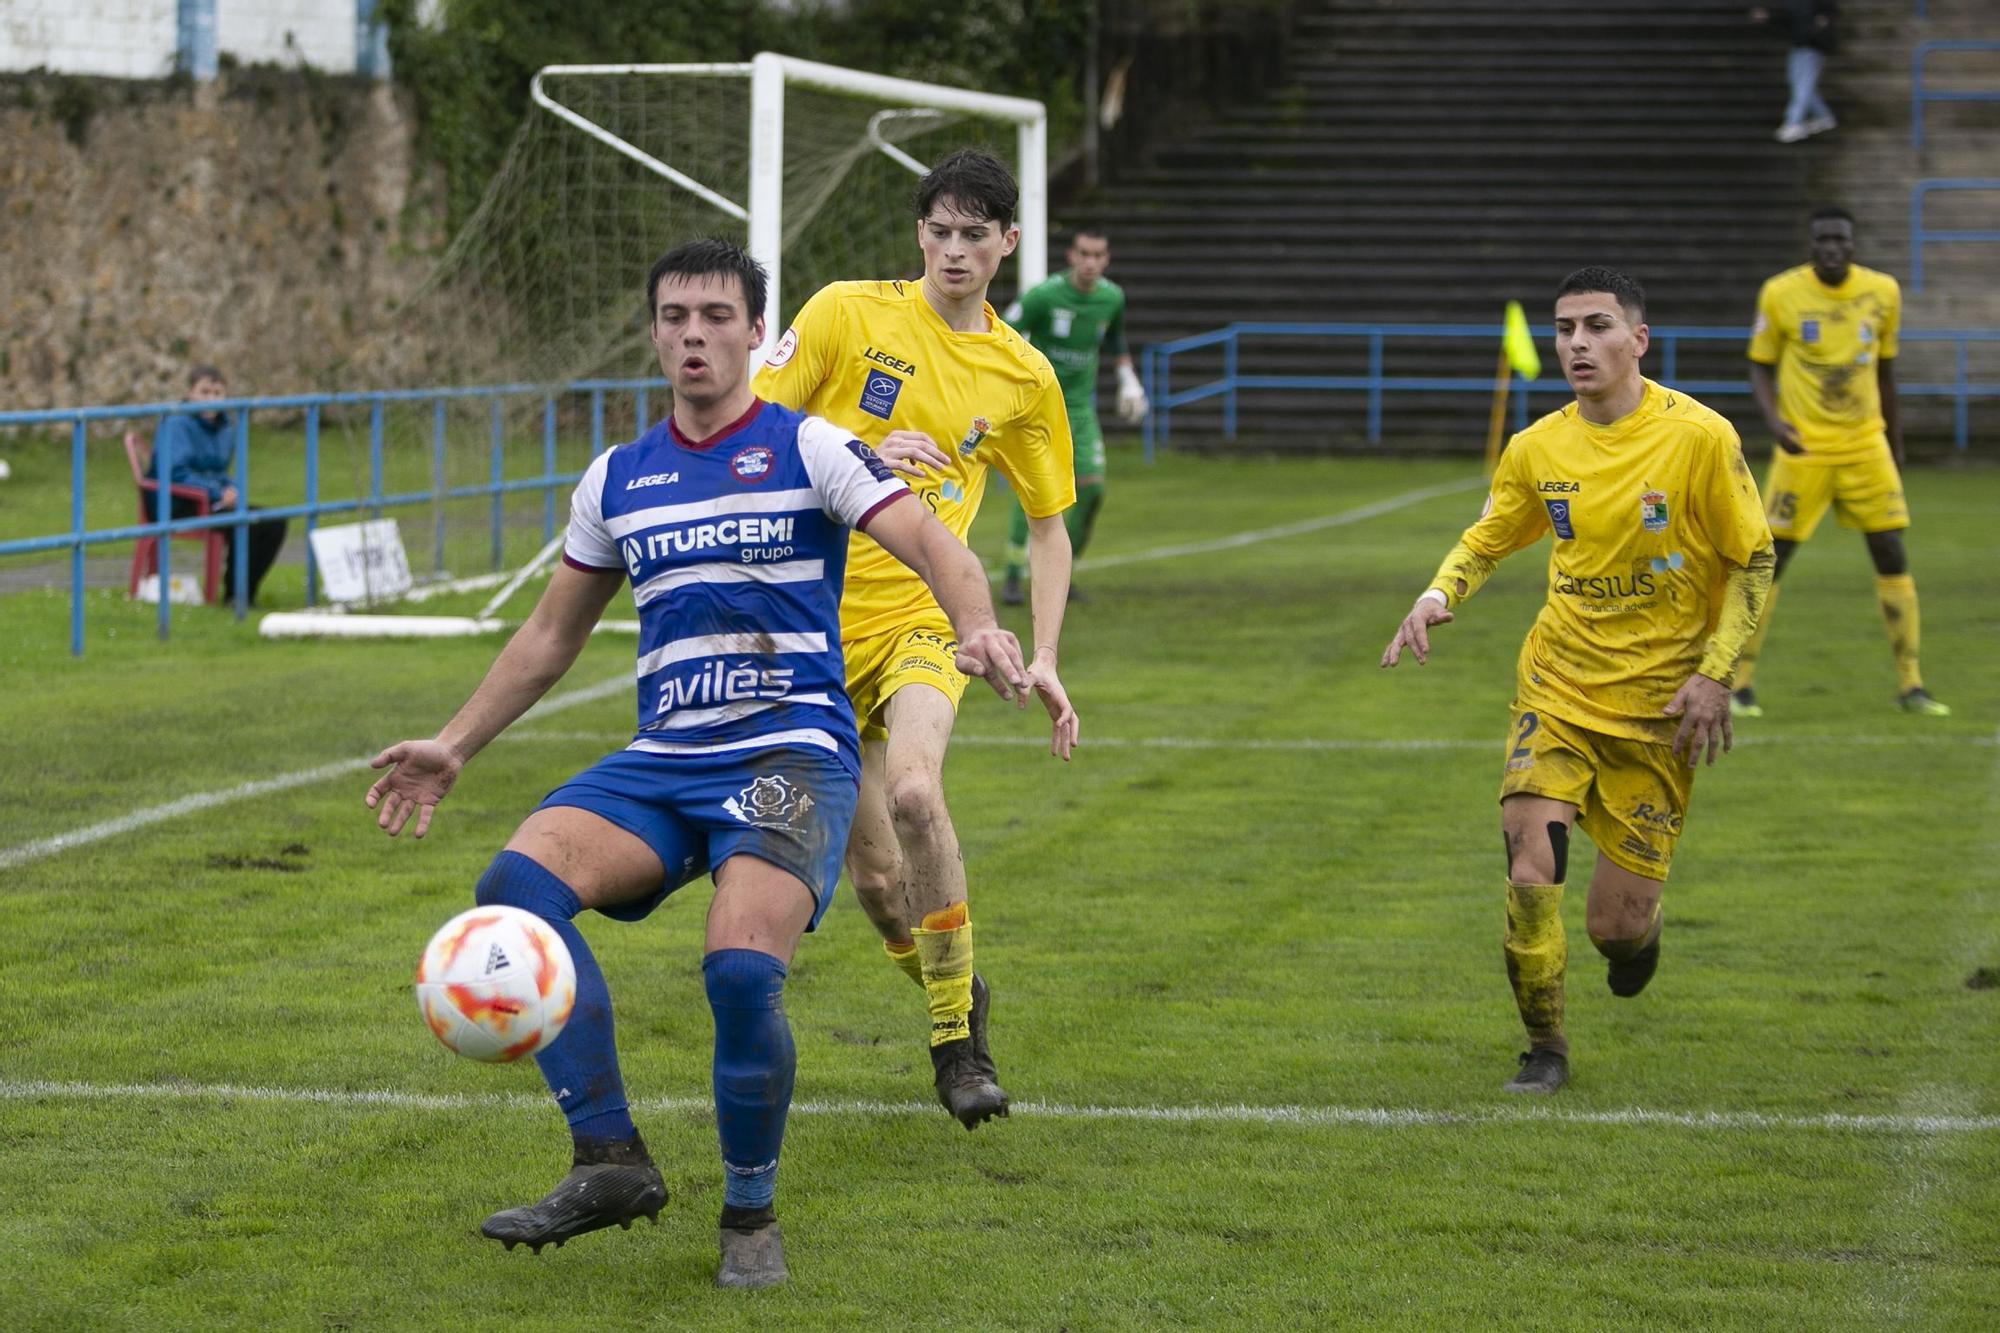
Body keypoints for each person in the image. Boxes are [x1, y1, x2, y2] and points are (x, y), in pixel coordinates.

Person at [364, 239, 1031, 1287]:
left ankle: (748, 1215)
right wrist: (454, 742)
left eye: (717, 315)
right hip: (668, 758)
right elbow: (549, 635)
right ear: (653, 333)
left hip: (790, 754)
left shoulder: (811, 447)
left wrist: (979, 626)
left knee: (737, 970)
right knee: (514, 891)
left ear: (756, 334)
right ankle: (609, 1158)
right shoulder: (617, 479)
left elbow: (936, 547)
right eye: (675, 316)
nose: (693, 334)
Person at [1381, 267, 1774, 1095]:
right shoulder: (1538, 447)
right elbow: (1488, 537)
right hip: (1557, 685)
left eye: (1597, 326)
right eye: (1565, 329)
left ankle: (1639, 936)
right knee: (1530, 864)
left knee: (1612, 929)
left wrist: (1715, 676)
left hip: (1661, 707)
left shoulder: (1700, 438)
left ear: (1639, 339)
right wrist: (1432, 595)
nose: (1576, 344)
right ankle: (1546, 1047)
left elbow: (1754, 558)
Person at [753, 148, 1081, 1129]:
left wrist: (1049, 654)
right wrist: (854, 455)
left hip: (921, 622)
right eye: (937, 230)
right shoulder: (846, 314)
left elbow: (1050, 525)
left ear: (1006, 244)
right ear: (918, 235)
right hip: (807, 628)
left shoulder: (1021, 376)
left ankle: (957, 1047)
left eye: (973, 234)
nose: (952, 250)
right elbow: (744, 439)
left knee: (911, 790)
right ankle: (958, 986)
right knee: (878, 884)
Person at [1732, 207, 1949, 718]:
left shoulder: (1883, 293)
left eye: (1840, 240)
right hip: (1802, 449)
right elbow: (1759, 366)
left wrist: (1895, 443)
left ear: (1853, 245)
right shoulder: (1781, 293)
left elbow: (1887, 372)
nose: (1832, 248)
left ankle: (1912, 684)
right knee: (1769, 560)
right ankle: (1740, 684)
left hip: (1864, 446)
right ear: (1812, 245)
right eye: (1823, 240)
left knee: (1891, 550)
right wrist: (1776, 423)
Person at [999, 227, 1147, 605]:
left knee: (1093, 490)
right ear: (1071, 256)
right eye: (1084, 254)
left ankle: (1063, 573)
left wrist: (1128, 378)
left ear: (1107, 260)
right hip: (1038, 407)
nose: (1090, 263)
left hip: (1080, 410)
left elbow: (1115, 340)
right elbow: (1001, 333)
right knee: (1034, 491)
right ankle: (1015, 576)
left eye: (1098, 256)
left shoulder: (1112, 298)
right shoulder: (1045, 296)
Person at [148, 365, 288, 604]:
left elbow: (219, 469)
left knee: (275, 522)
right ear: (190, 393)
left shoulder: (224, 427)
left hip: (212, 500)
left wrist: (230, 488)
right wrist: (216, 492)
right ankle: (235, 595)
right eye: (204, 392)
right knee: (247, 525)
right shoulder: (176, 423)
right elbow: (174, 472)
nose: (210, 399)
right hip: (177, 501)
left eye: (217, 393)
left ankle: (245, 591)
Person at [1750, 1, 1839, 143]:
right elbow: (1787, 19)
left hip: (1813, 45)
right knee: (1799, 83)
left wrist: (1823, 21)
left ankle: (1793, 122)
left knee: (1803, 85)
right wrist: (1769, 17)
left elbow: (1830, 10)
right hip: (1799, 45)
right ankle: (1823, 116)